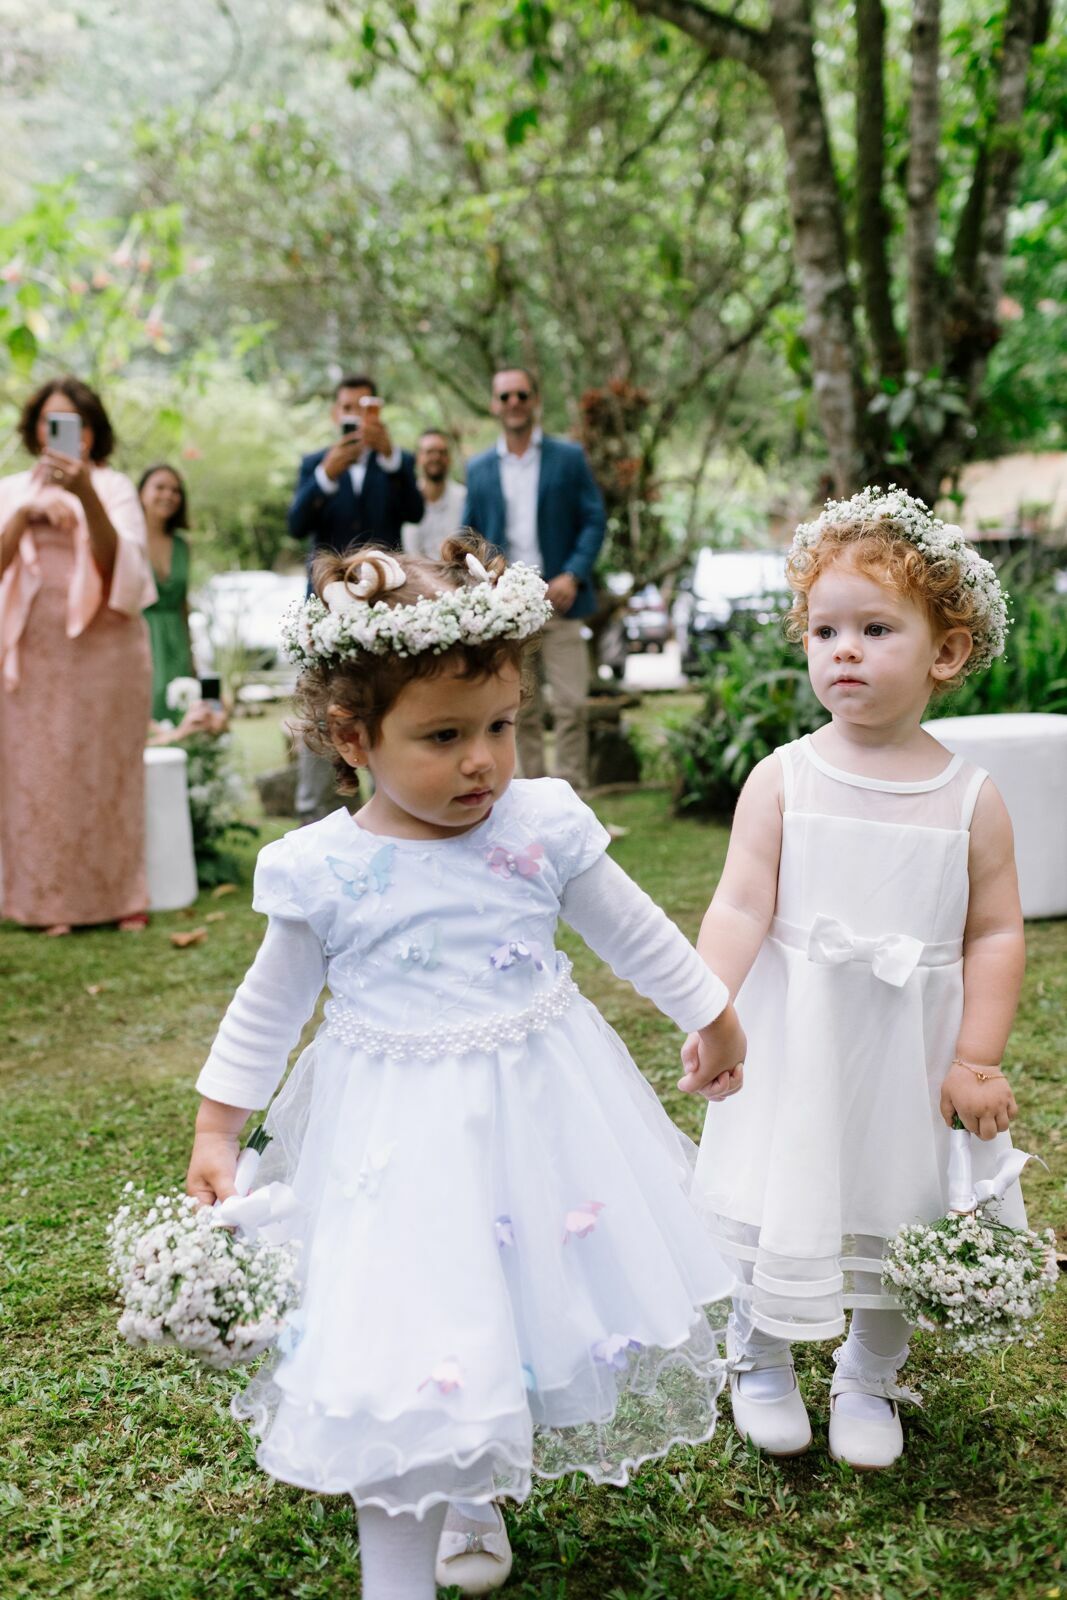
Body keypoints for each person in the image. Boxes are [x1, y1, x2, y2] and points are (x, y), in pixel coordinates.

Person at [186, 537, 746, 1600]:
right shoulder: (326, 871)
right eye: (441, 737)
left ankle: (476, 1485)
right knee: (398, 1335)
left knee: (507, 1306)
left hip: (535, 1117)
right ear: (354, 738)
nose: (482, 760)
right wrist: (221, 1129)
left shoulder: (537, 828)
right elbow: (266, 1008)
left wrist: (709, 1011)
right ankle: (393, 1569)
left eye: (499, 726)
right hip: (390, 1144)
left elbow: (630, 931)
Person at [683, 487, 1025, 1472]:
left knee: (893, 1201)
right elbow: (740, 904)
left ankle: (870, 1373)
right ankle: (759, 1354)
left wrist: (973, 1057)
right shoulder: (783, 774)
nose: (842, 649)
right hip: (793, 1034)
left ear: (943, 653)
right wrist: (710, 1011)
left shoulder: (968, 797)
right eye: (824, 628)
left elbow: (994, 932)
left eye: (874, 628)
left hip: (905, 1050)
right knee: (778, 1188)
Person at [0, 376, 156, 934]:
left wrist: (84, 493)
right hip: (32, 652)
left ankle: (121, 895)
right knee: (39, 773)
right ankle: (49, 902)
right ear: (36, 429)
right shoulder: (11, 487)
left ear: (92, 433)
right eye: (51, 421)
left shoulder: (113, 486)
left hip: (105, 651)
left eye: (75, 422)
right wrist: (25, 513)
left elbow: (125, 571)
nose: (62, 432)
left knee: (106, 769)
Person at [289, 374, 424, 823]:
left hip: (386, 605)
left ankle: (395, 808)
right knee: (324, 707)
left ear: (376, 414)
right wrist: (328, 474)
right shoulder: (316, 463)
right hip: (327, 608)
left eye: (364, 407)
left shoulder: (395, 463)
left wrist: (389, 458)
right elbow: (294, 524)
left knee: (388, 703)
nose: (354, 416)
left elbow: (415, 511)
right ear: (335, 414)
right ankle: (324, 816)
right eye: (347, 407)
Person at [463, 368, 605, 790]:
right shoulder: (479, 468)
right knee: (517, 710)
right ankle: (528, 801)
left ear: (535, 400)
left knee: (571, 706)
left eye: (521, 394)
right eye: (504, 396)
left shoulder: (569, 457)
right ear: (494, 404)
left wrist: (573, 575)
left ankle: (573, 802)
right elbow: (468, 533)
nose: (513, 403)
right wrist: (487, 578)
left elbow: (594, 519)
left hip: (561, 599)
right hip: (507, 609)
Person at [139, 463, 194, 722]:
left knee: (180, 713)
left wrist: (192, 658)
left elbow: (184, 603)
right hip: (140, 638)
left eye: (175, 490)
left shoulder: (183, 546)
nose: (168, 495)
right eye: (160, 487)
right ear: (141, 493)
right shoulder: (128, 538)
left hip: (176, 644)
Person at [401, 428, 467, 559]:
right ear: (418, 457)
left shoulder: (464, 498)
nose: (436, 457)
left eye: (442, 452)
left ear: (449, 458)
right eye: (429, 452)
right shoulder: (406, 500)